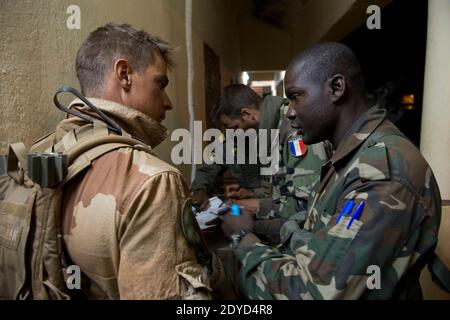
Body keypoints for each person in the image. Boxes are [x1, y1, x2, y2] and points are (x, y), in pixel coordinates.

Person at [221, 42, 441, 299]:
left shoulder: (380, 172)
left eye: (295, 96)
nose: (290, 113)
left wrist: (242, 238)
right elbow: (316, 231)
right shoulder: (349, 156)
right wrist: (270, 228)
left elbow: (310, 292)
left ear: (336, 88)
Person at [31, 23, 214, 299]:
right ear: (124, 74)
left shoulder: (42, 153)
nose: (168, 103)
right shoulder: (153, 181)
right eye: (160, 84)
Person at [210, 84, 328, 243]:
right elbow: (283, 186)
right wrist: (254, 193)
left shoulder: (294, 133)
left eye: (234, 128)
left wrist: (255, 206)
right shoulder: (269, 131)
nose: (232, 135)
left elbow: (306, 205)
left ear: (247, 114)